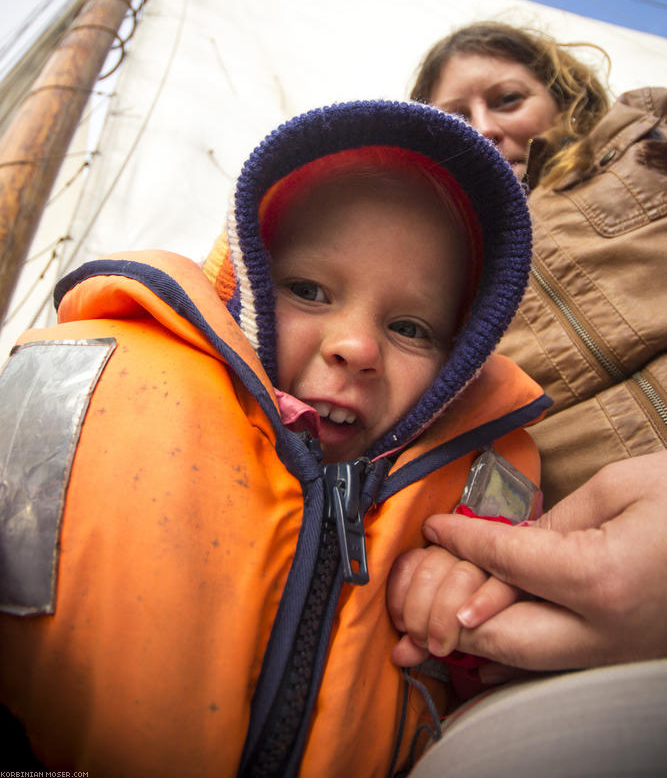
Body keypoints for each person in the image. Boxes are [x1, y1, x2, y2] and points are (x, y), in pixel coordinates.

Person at [0, 99, 546, 778]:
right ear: (243, 285)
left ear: (458, 361)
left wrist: (469, 614)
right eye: (309, 290)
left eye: (410, 328)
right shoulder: (85, 386)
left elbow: (497, 692)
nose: (354, 347)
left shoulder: (473, 496)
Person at [385, 22, 667, 773]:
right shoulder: (415, 267)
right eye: (451, 119)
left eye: (507, 98)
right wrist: (437, 566)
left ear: (566, 92)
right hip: (528, 664)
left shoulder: (650, 139)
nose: (481, 130)